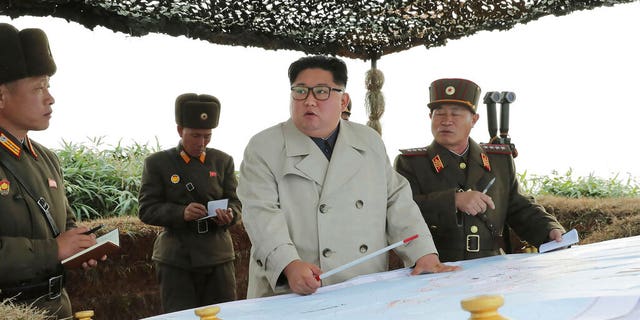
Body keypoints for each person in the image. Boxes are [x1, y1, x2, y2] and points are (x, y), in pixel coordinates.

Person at [237, 55, 459, 298]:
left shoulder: (369, 141)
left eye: (321, 91)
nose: (309, 101)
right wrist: (288, 264)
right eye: (300, 91)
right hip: (296, 289)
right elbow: (261, 214)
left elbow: (396, 201)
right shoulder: (264, 147)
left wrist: (422, 253)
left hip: (363, 286)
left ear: (343, 100)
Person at [394, 78, 565, 262]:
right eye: (439, 114)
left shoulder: (499, 160)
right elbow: (401, 212)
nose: (446, 121)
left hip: (491, 266)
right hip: (437, 267)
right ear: (430, 118)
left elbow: (518, 206)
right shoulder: (411, 164)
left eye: (456, 114)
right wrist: (452, 201)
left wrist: (549, 230)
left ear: (474, 120)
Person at [0, 23, 102, 318]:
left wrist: (80, 244)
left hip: (58, 307)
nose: (50, 97)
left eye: (48, 86)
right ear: (2, 97)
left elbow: (64, 223)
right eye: (38, 88)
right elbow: (54, 245)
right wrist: (53, 250)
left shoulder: (46, 158)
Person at [138, 93, 241, 313]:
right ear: (179, 130)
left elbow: (236, 202)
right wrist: (180, 213)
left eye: (207, 136)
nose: (201, 143)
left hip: (218, 256)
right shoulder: (158, 163)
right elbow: (146, 210)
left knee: (224, 315)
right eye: (195, 135)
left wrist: (229, 214)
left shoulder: (223, 161)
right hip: (177, 259)